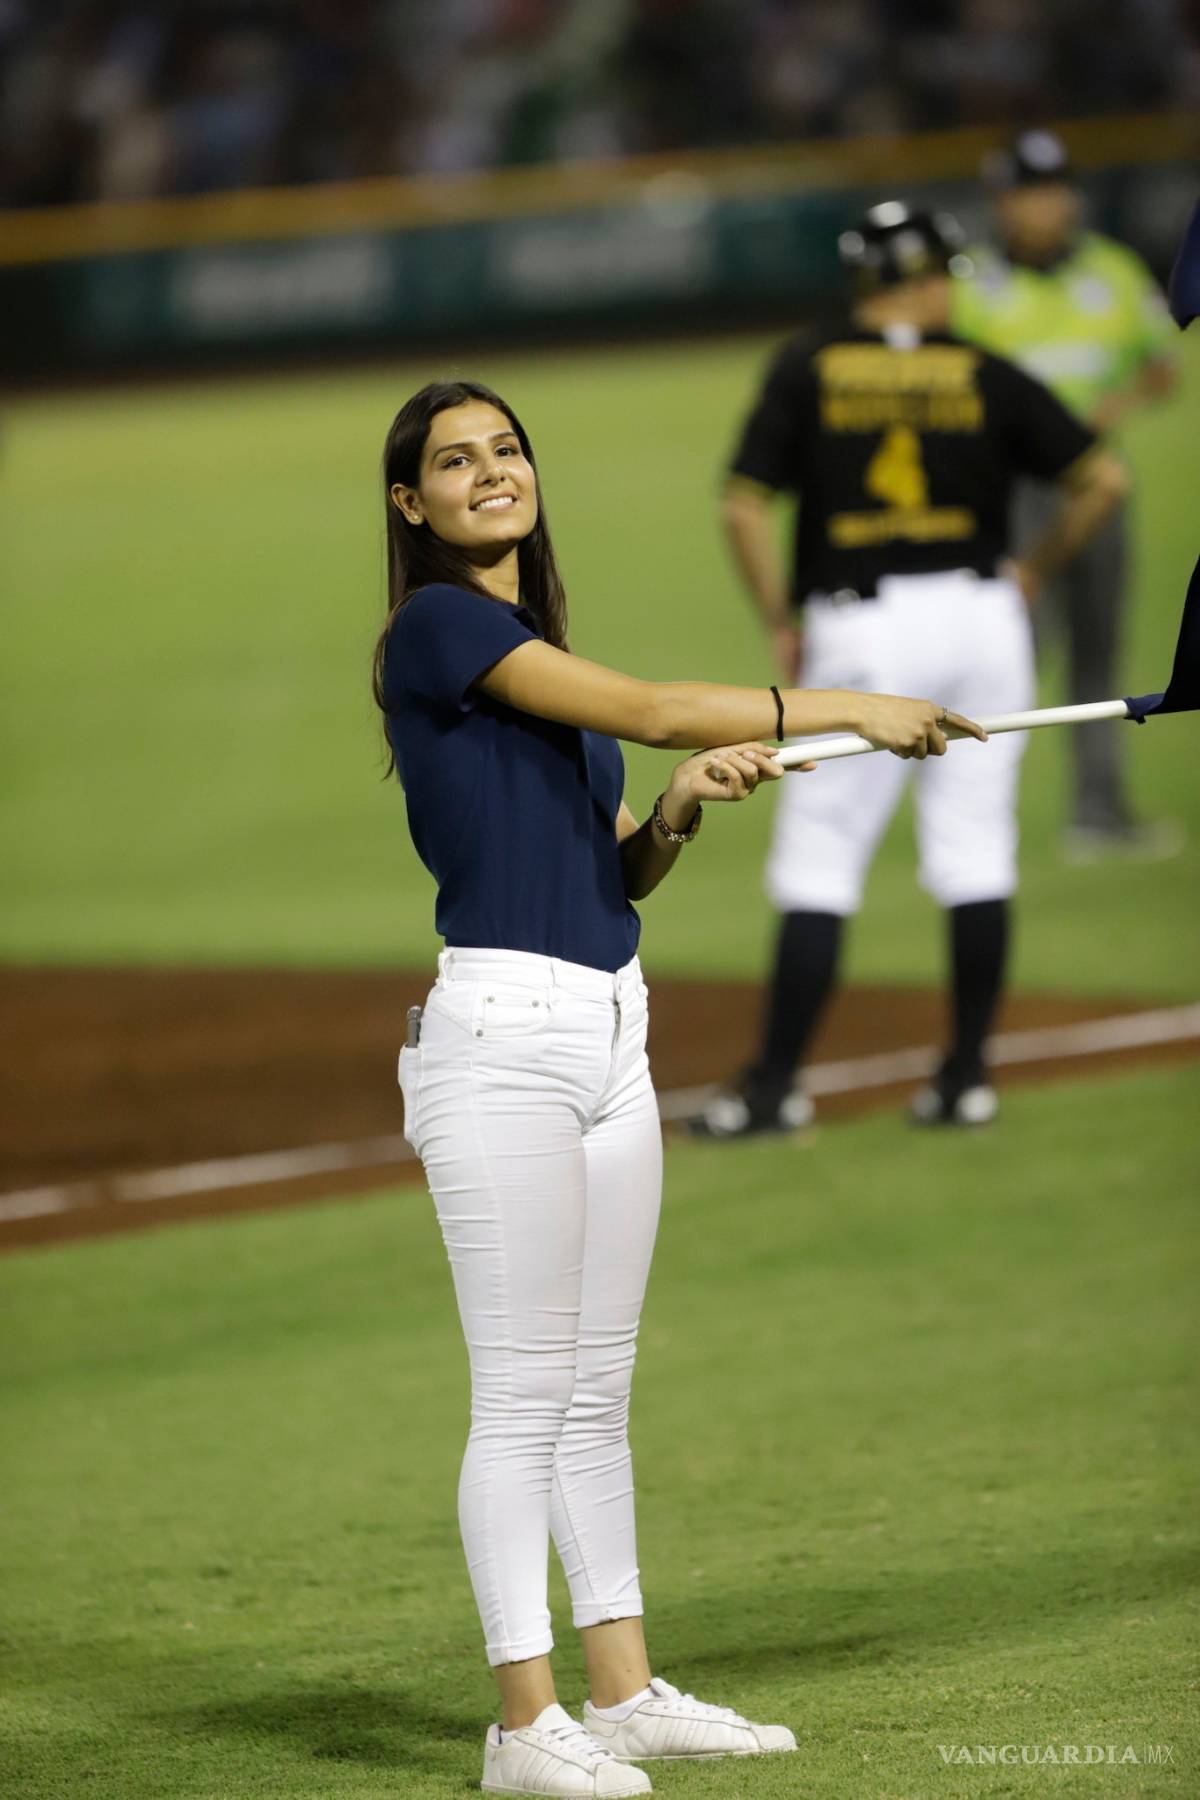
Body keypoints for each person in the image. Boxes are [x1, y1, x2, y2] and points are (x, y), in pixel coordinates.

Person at [373, 377, 981, 1797]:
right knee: (524, 1397)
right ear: (411, 503)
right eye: (455, 461)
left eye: (508, 448)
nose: (491, 471)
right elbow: (653, 706)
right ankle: (523, 1726)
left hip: (608, 1034)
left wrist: (675, 814)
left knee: (597, 1391)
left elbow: (606, 869)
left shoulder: (532, 645)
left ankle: (623, 1693)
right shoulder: (440, 627)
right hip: (502, 1044)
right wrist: (860, 707)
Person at [697, 202, 1127, 1139]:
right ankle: (966, 1078)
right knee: (976, 847)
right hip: (982, 621)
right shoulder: (982, 369)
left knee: (821, 856)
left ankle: (773, 1089)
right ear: (928, 277)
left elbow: (742, 503)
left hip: (863, 632)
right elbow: (1103, 479)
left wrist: (778, 618)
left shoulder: (810, 364)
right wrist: (1032, 571)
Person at [952, 128, 1181, 860]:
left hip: (1097, 486)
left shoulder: (1114, 270)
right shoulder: (969, 286)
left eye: (1053, 190)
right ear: (1001, 203)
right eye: (1026, 193)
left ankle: (1098, 813)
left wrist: (1109, 408)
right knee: (1007, 656)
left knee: (1098, 653)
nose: (1042, 206)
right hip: (1008, 495)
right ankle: (970, 816)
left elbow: (1163, 368)